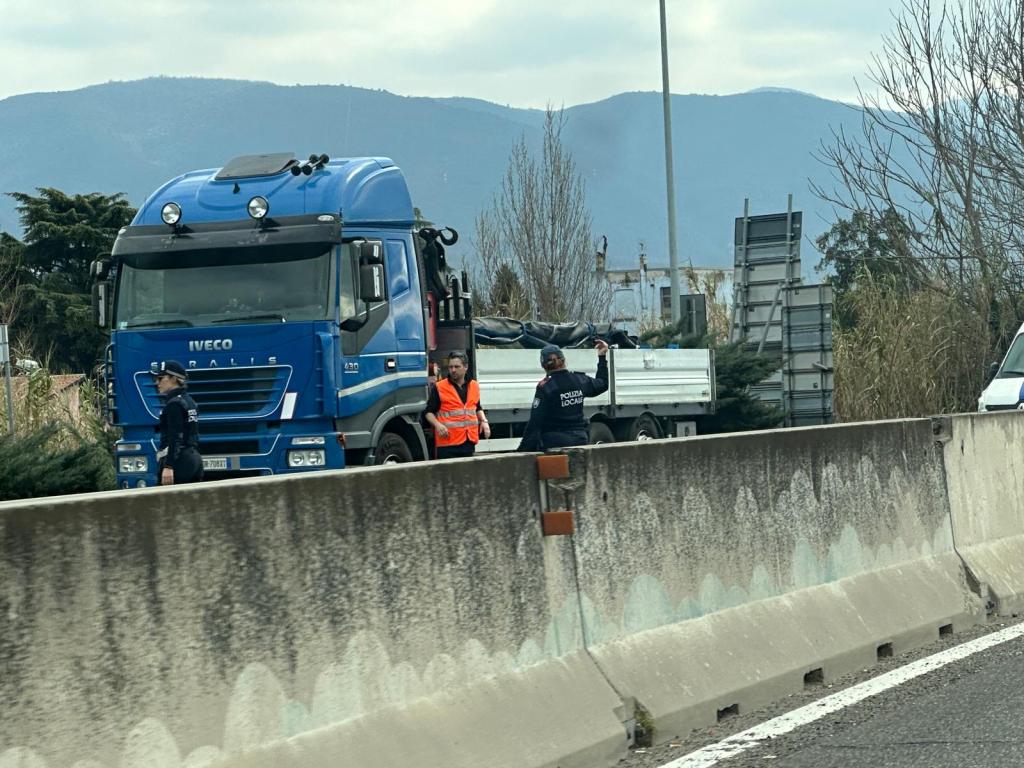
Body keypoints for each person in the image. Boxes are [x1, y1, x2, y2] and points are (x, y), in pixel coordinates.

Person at [517, 340, 609, 451]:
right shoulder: (580, 380)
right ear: (564, 360)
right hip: (581, 440)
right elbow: (603, 384)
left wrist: (521, 451)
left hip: (555, 443)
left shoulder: (546, 387)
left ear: (543, 365)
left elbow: (535, 422)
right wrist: (602, 356)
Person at [424, 350, 491, 459]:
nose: (453, 370)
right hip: (447, 444)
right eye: (450, 367)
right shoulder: (440, 387)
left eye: (456, 366)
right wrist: (438, 425)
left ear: (465, 367)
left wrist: (484, 422)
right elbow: (428, 412)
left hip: (468, 442)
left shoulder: (474, 386)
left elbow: (477, 407)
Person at [153, 360, 203, 484]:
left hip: (179, 462)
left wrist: (169, 466)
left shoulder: (173, 405)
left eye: (160, 378)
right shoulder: (190, 401)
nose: (157, 382)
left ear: (173, 379)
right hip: (194, 459)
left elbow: (175, 438)